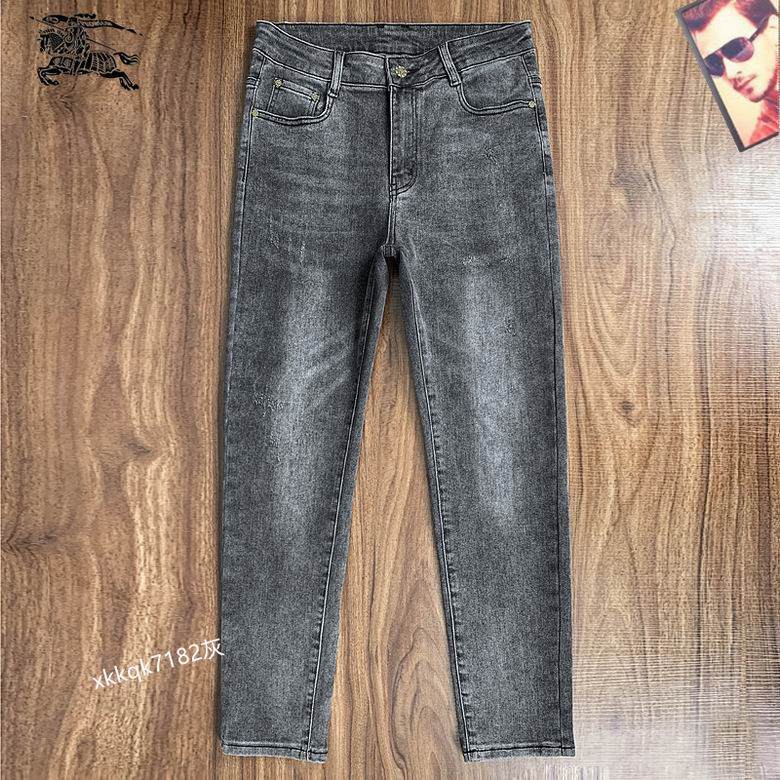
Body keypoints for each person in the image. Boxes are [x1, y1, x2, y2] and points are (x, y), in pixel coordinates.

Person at [684, 0, 778, 145]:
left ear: (774, 29)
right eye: (714, 62)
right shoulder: (765, 139)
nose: (731, 73)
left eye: (737, 48)